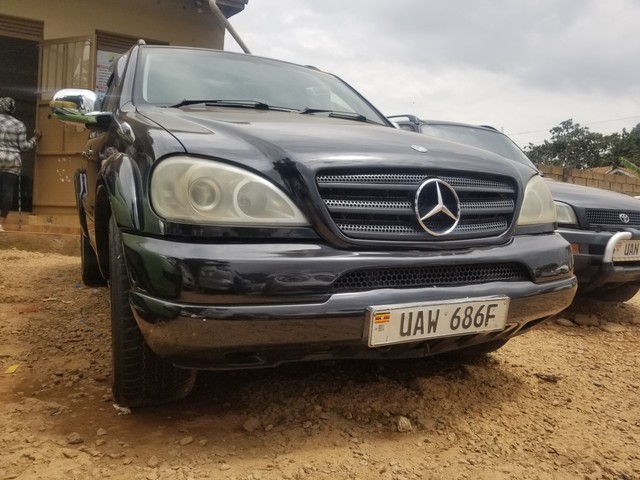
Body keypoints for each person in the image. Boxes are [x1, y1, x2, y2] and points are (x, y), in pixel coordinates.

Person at [0, 97, 41, 232]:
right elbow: (23, 147)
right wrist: (35, 138)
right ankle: (1, 224)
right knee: (7, 189)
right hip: (12, 160)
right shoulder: (19, 125)